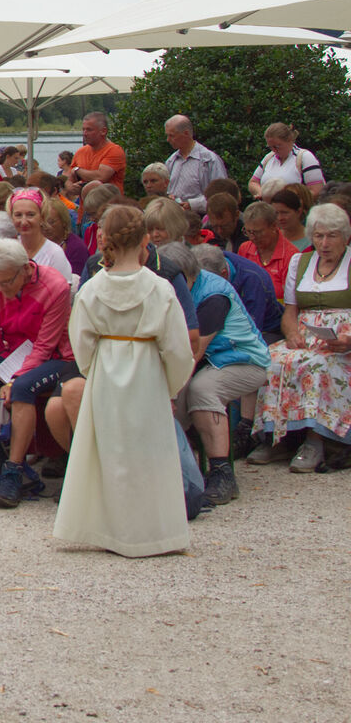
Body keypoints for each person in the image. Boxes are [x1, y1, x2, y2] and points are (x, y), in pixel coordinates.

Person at [54, 206, 194, 558]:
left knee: (111, 452)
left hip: (106, 370)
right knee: (149, 453)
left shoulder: (92, 289)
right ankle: (152, 532)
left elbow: (81, 341)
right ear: (145, 239)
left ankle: (111, 529)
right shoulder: (159, 288)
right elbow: (178, 348)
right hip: (147, 372)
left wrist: (95, 371)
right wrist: (169, 385)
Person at [0, 239, 76, 506]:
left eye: (6, 282)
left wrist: (15, 378)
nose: (0, 289)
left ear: (25, 269)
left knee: (21, 388)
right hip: (16, 354)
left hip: (56, 357)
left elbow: (45, 346)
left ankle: (14, 471)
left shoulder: (54, 286)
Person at [155, 242, 268, 504]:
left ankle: (222, 473)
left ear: (186, 275)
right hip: (207, 362)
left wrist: (169, 394)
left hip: (242, 360)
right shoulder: (173, 289)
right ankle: (175, 471)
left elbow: (193, 352)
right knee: (171, 395)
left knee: (201, 390)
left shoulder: (213, 296)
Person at [250, 203, 351, 472]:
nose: (324, 243)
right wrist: (292, 333)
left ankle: (315, 441)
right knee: (273, 359)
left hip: (343, 343)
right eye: (318, 236)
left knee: (318, 365)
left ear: (345, 236)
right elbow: (290, 312)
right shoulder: (300, 262)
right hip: (307, 336)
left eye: (332, 236)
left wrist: (348, 340)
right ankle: (277, 437)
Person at [7, 188, 74, 284]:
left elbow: (63, 290)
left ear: (42, 216)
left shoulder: (54, 253)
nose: (24, 221)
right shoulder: (7, 250)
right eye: (18, 215)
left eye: (30, 215)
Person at [162, 115, 229, 211]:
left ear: (186, 133)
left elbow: (221, 195)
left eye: (171, 135)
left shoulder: (209, 160)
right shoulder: (171, 161)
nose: (168, 140)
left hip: (201, 216)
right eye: (167, 135)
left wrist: (193, 204)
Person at [238, 200, 298, 298]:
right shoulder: (244, 249)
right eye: (248, 232)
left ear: (274, 226)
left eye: (258, 232)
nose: (252, 237)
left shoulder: (291, 255)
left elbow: (290, 298)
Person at [247, 123, 325, 195]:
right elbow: (253, 182)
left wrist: (289, 200)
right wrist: (262, 193)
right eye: (270, 147)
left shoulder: (305, 157)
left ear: (289, 140)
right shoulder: (269, 158)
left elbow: (316, 190)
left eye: (277, 146)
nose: (274, 150)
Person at [69, 112, 125, 188]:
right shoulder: (80, 152)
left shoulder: (114, 150)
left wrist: (77, 170)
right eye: (83, 129)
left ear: (103, 131)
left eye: (89, 130)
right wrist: (71, 187)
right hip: (83, 195)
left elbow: (101, 177)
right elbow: (69, 180)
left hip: (107, 195)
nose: (85, 133)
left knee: (96, 184)